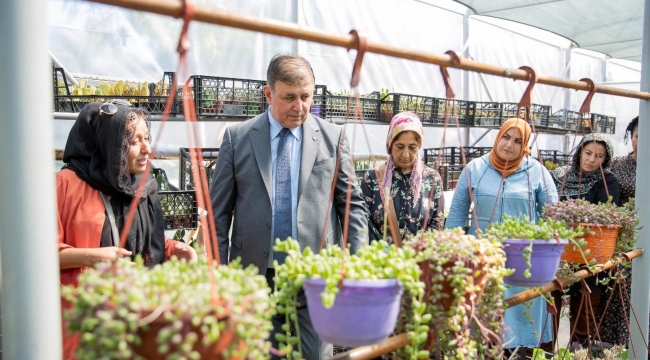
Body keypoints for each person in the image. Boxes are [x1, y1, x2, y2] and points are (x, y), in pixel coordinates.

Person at [210, 54, 368, 359]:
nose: (300, 107)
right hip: (256, 273)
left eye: (306, 97)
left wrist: (356, 264)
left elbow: (352, 205)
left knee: (318, 354)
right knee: (262, 353)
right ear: (268, 94)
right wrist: (220, 274)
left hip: (316, 272)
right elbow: (218, 214)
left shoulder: (332, 138)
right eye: (289, 97)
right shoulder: (237, 138)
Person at [58, 101, 197, 358]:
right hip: (84, 317)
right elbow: (39, 257)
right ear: (108, 145)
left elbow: (149, 244)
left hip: (137, 314)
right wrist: (93, 256)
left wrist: (177, 249)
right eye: (134, 142)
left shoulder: (143, 186)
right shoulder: (65, 185)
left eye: (147, 138)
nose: (147, 149)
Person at [445, 118, 558, 354]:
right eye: (506, 137)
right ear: (498, 137)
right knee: (485, 337)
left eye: (518, 140)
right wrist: (452, 257)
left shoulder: (536, 172)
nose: (510, 145)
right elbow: (455, 219)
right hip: (483, 264)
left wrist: (547, 258)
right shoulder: (475, 169)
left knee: (521, 342)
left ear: (525, 144)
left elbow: (553, 219)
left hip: (525, 267)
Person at [549, 132, 620, 349]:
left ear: (605, 160)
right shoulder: (558, 175)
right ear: (579, 151)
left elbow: (606, 215)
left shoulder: (607, 180)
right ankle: (545, 351)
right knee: (549, 305)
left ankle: (577, 351)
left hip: (589, 255)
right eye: (588, 153)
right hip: (556, 253)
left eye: (598, 156)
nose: (591, 159)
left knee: (584, 311)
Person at [360, 112, 444, 243]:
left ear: (419, 147)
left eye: (412, 147)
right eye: (399, 147)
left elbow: (437, 222)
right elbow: (364, 221)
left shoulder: (432, 179)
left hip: (420, 259)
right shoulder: (372, 178)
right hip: (381, 259)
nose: (406, 154)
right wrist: (383, 252)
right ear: (390, 145)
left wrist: (420, 251)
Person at [593, 116, 637, 346]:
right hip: (621, 236)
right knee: (617, 286)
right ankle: (615, 342)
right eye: (638, 136)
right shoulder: (618, 165)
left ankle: (639, 342)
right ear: (631, 137)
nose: (643, 141)